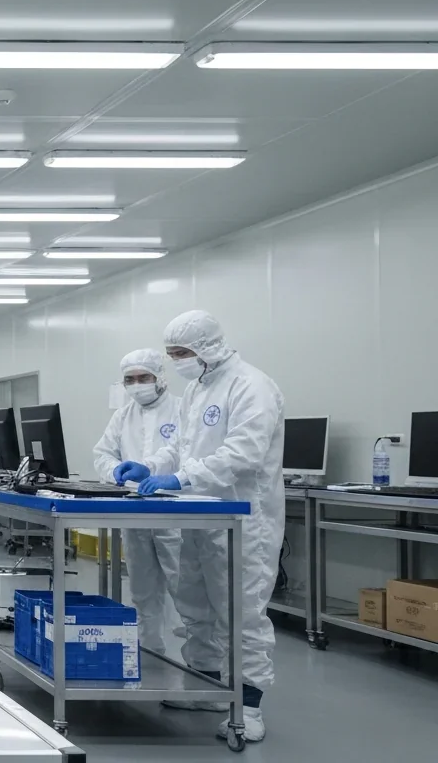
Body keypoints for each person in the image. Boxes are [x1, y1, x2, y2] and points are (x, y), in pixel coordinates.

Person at [112, 310, 284, 743]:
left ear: (208, 346)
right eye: (172, 354)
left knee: (241, 610)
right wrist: (150, 465)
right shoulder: (196, 390)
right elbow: (180, 446)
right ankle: (205, 683)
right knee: (195, 602)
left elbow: (243, 451)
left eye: (182, 352)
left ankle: (248, 704)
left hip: (244, 516)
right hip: (197, 514)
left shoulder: (252, 386)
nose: (178, 361)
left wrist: (182, 478)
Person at [91, 349, 183, 658]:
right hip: (134, 508)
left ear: (160, 378)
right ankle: (150, 649)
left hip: (177, 511)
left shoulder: (184, 410)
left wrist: (152, 469)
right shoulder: (123, 414)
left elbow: (181, 451)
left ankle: (201, 661)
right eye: (130, 379)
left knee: (184, 586)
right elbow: (102, 452)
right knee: (143, 587)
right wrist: (113, 472)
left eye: (144, 377)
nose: (137, 384)